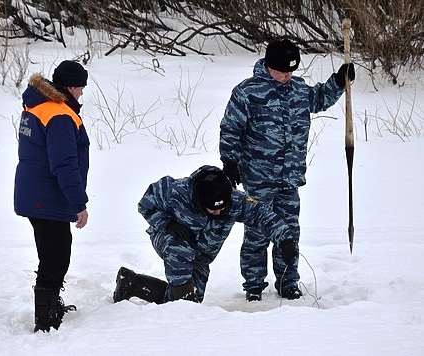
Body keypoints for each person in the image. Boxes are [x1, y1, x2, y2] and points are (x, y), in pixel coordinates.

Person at [219, 39, 355, 301]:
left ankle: (288, 282)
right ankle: (254, 285)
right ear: (269, 65)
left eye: (291, 70)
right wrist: (230, 161)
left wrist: (339, 81)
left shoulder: (298, 89)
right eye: (282, 70)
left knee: (289, 231)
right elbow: (231, 128)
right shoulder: (248, 92)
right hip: (258, 178)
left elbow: (320, 98)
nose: (287, 75)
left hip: (290, 177)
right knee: (258, 232)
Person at [112, 165, 297, 304]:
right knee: (180, 252)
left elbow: (262, 214)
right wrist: (167, 224)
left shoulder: (235, 201)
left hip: (200, 256)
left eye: (222, 208)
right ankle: (182, 313)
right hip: (169, 237)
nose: (218, 212)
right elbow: (145, 204)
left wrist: (285, 239)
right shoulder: (174, 191)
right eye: (211, 209)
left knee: (190, 301)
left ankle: (131, 283)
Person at [14, 60, 90, 332]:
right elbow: (65, 163)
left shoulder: (39, 105)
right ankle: (45, 318)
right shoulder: (58, 114)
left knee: (53, 250)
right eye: (81, 87)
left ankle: (49, 305)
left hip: (38, 193)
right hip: (46, 196)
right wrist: (78, 203)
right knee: (56, 255)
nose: (82, 92)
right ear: (70, 86)